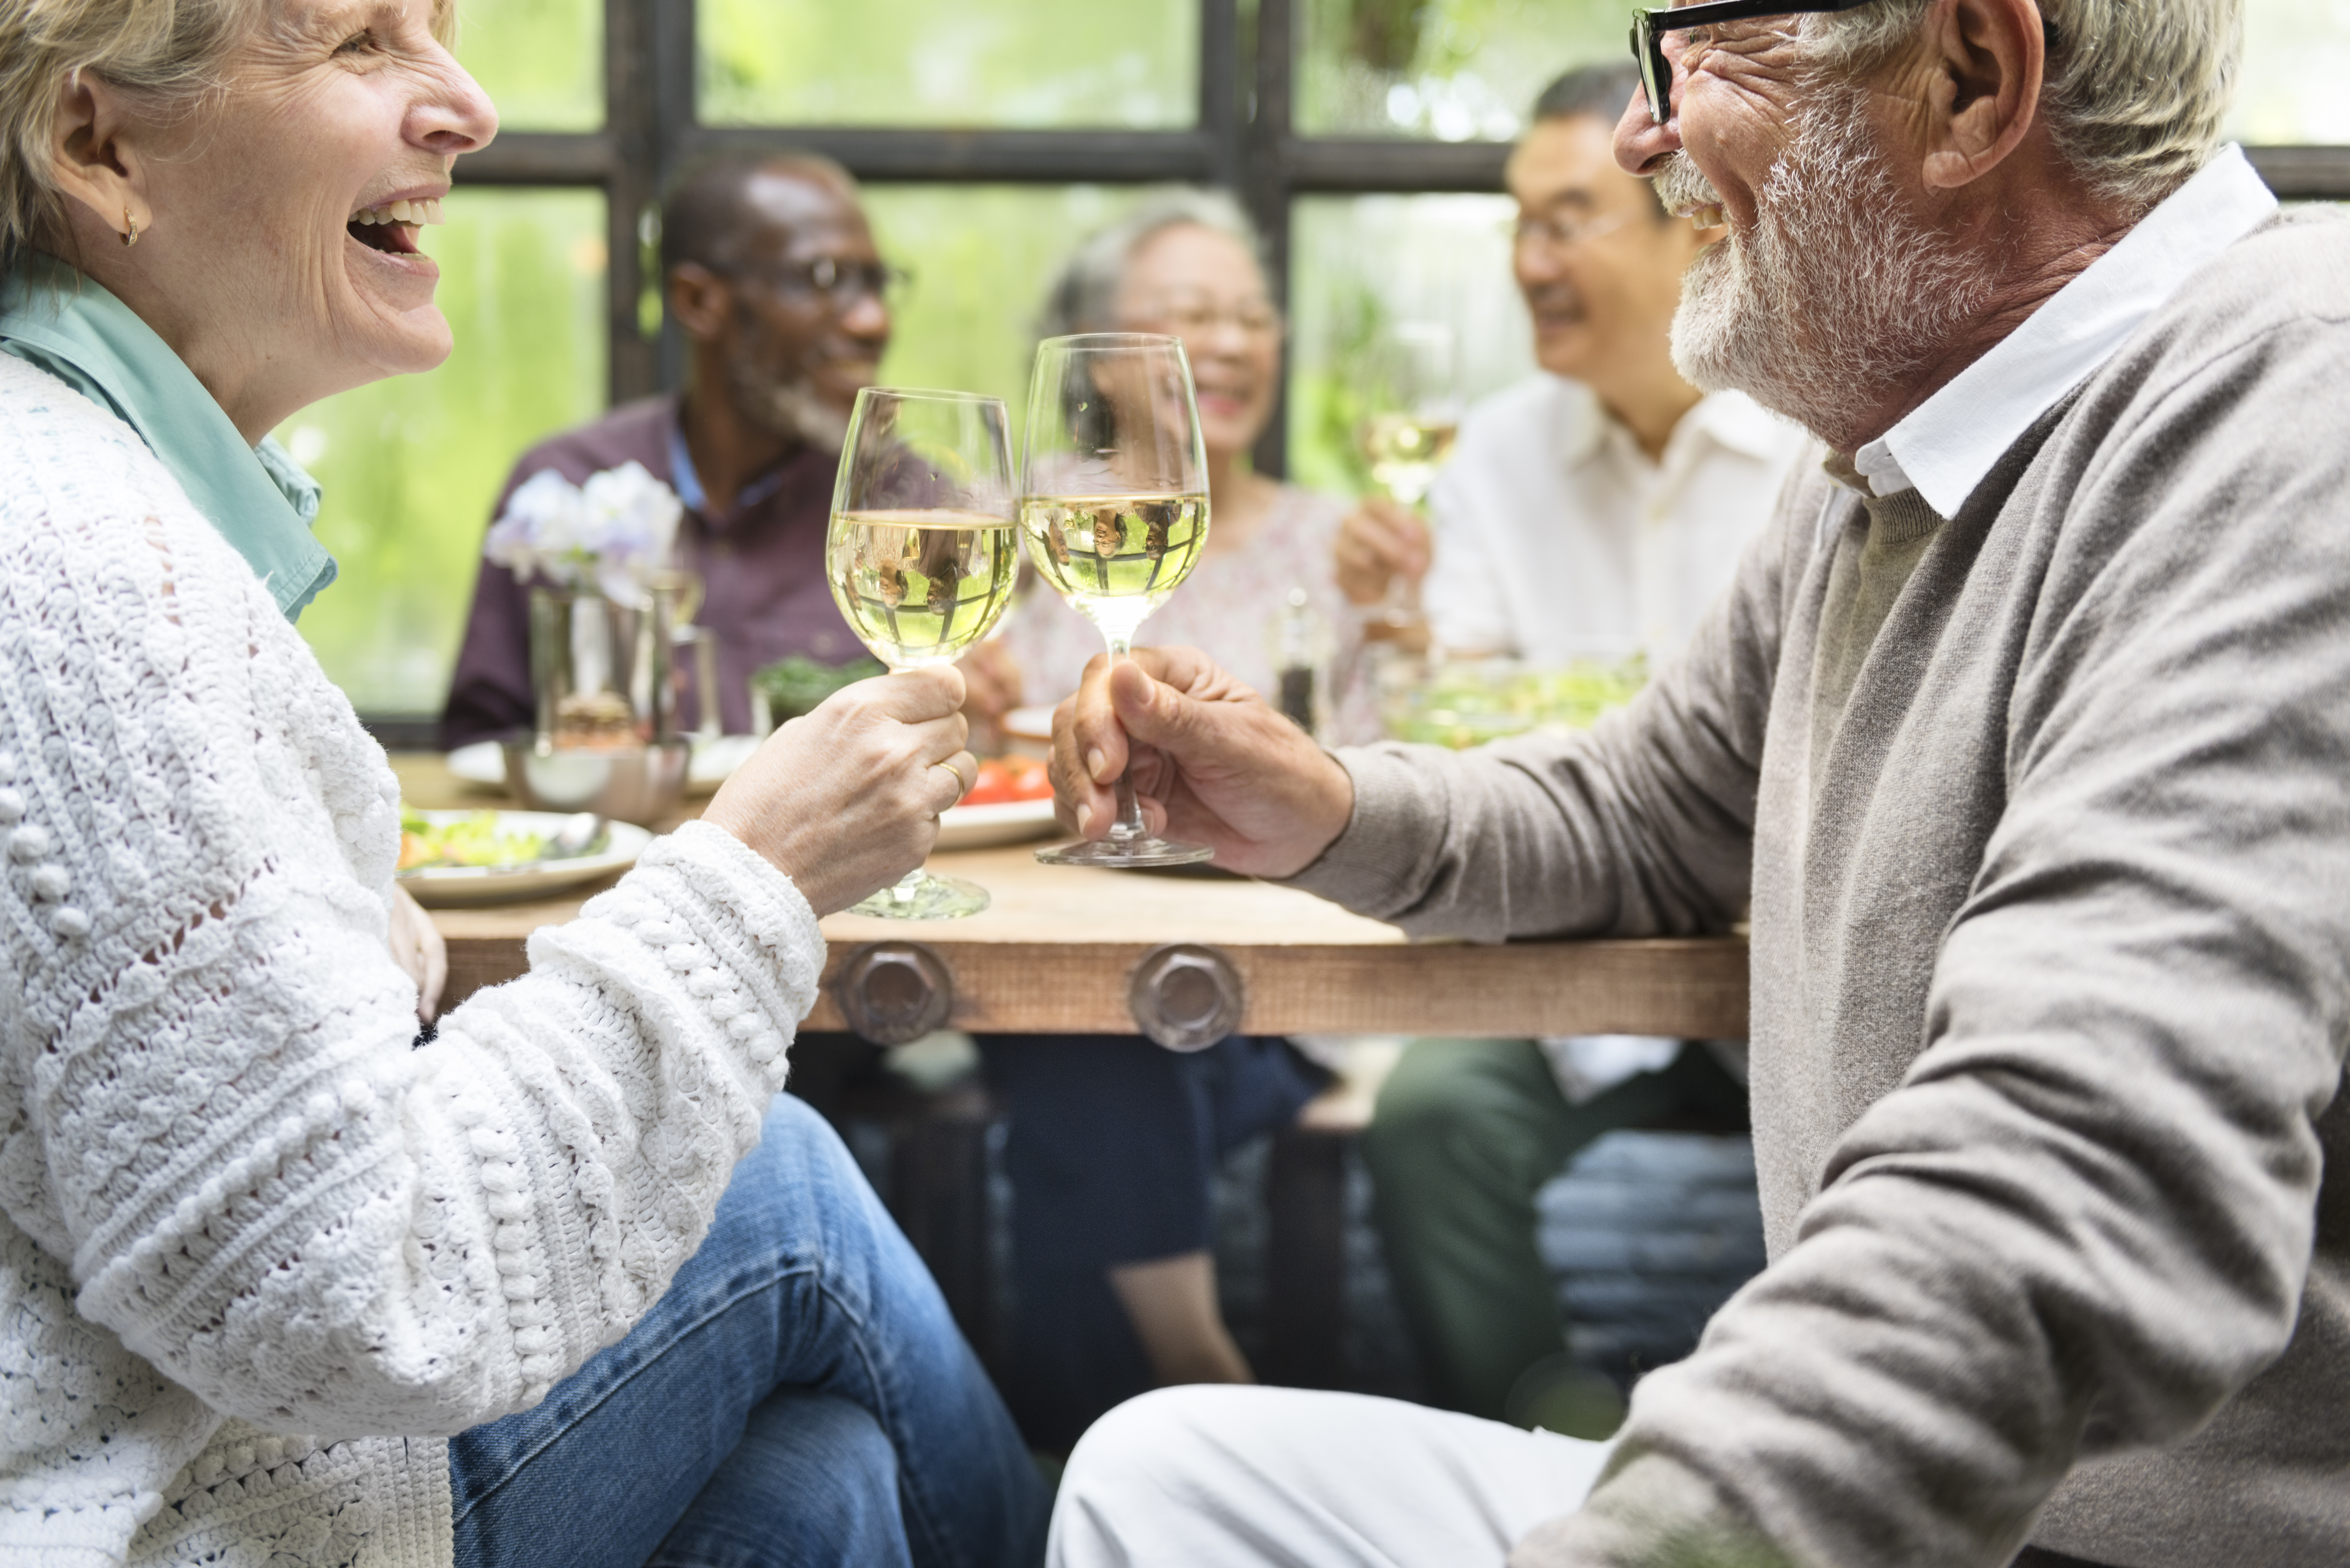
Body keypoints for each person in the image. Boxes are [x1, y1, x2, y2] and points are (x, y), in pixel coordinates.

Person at [1042, 0, 2350, 1561]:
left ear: (1966, 77)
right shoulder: (1894, 452)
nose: (1636, 132)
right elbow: (1643, 811)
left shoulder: (2288, 415)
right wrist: (1321, 802)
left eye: (1701, 47)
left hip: (2078, 1533)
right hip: (1913, 1511)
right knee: (1169, 1467)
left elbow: (2075, 1161)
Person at [0, 4, 1045, 1566]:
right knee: (790, 1189)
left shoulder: (79, 487)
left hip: (144, 1424)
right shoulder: (88, 562)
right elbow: (356, 1294)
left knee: (821, 1484)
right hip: (146, 1506)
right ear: (99, 143)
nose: (470, 108)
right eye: (364, 42)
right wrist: (747, 871)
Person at [1337, 62, 1811, 1434]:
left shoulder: (1814, 443)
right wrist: (1395, 632)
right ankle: (1547, 1438)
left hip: (1782, 952)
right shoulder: (1491, 455)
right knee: (1432, 1110)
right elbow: (1466, 718)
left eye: (1566, 222)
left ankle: (1779, 1459)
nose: (1529, 264)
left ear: (1691, 222)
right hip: (1583, 937)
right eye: (1517, 227)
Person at [967, 190, 1374, 1453]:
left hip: (1275, 981)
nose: (1240, 343)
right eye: (1195, 315)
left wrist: (1408, 633)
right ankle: (1202, 1395)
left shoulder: (1339, 544)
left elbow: (1383, 777)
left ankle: (1064, 1458)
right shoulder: (1019, 526)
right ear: (1101, 344)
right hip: (1063, 949)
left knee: (1088, 1024)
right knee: (1094, 999)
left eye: (1253, 316)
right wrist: (958, 697)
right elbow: (970, 750)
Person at [439, 149, 894, 747]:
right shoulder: (562, 488)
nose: (873, 321)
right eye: (824, 278)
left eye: (878, 284)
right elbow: (482, 747)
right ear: (698, 302)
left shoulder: (910, 508)